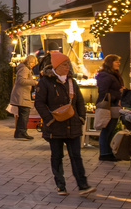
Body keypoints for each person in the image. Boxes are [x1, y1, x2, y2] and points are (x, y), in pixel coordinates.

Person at [35, 51, 94, 196]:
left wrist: (81, 118)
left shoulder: (71, 82)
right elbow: (39, 103)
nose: (68, 67)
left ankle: (83, 185)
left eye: (68, 64)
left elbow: (79, 101)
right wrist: (49, 120)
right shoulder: (45, 82)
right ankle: (60, 185)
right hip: (54, 126)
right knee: (57, 156)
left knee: (76, 156)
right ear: (56, 66)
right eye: (64, 64)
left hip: (72, 124)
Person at [95, 54, 124, 161]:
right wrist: (117, 94)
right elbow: (103, 91)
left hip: (113, 105)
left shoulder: (113, 74)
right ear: (110, 63)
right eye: (116, 61)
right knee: (107, 129)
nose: (119, 63)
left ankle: (108, 152)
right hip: (108, 106)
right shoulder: (105, 75)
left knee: (110, 129)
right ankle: (104, 153)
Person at [11, 54, 37, 141]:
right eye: (32, 62)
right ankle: (22, 132)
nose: (33, 64)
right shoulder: (24, 69)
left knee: (22, 113)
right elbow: (21, 80)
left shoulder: (24, 68)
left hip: (22, 94)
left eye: (34, 63)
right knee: (25, 113)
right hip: (22, 94)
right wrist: (34, 82)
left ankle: (18, 133)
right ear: (28, 61)